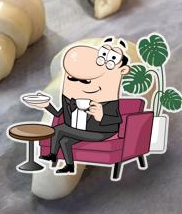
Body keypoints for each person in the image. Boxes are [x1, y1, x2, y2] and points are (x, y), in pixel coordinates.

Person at [28, 37, 130, 174]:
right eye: (71, 78)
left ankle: (52, 155)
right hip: (82, 130)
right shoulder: (71, 100)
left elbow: (117, 121)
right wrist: (47, 105)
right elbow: (60, 114)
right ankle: (69, 165)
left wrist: (101, 116)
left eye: (86, 80)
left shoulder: (108, 102)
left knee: (59, 129)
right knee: (65, 141)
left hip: (101, 133)